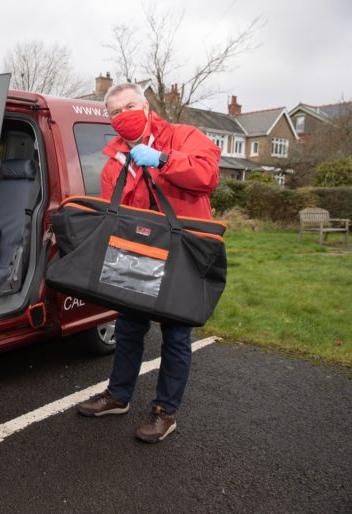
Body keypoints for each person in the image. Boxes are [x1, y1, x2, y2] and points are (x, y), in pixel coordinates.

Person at [76, 82, 220, 443]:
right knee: (128, 327)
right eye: (114, 112)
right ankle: (118, 396)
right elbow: (116, 207)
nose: (123, 116)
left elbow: (207, 175)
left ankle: (164, 412)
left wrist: (163, 161)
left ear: (146, 105)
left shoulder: (183, 136)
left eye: (128, 107)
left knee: (175, 335)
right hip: (138, 252)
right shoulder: (115, 157)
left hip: (182, 250)